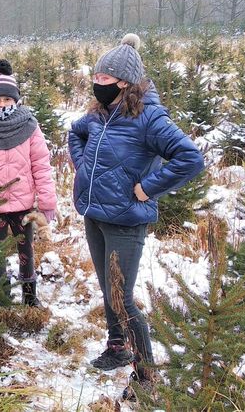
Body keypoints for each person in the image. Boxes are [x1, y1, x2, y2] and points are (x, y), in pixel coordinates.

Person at [68, 34, 205, 385]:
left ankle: (146, 376)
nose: (97, 84)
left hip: (125, 222)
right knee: (106, 288)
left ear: (125, 82)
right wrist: (83, 166)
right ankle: (117, 347)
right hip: (95, 215)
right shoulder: (100, 112)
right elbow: (75, 133)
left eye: (104, 79)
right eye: (95, 77)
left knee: (120, 296)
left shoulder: (149, 117)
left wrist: (147, 188)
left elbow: (190, 158)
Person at [0, 59, 57, 307]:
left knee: (25, 252)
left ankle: (30, 298)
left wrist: (47, 202)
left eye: (7, 99)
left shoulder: (30, 127)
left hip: (23, 206)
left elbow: (41, 164)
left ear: (16, 100)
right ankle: (2, 297)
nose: (2, 104)